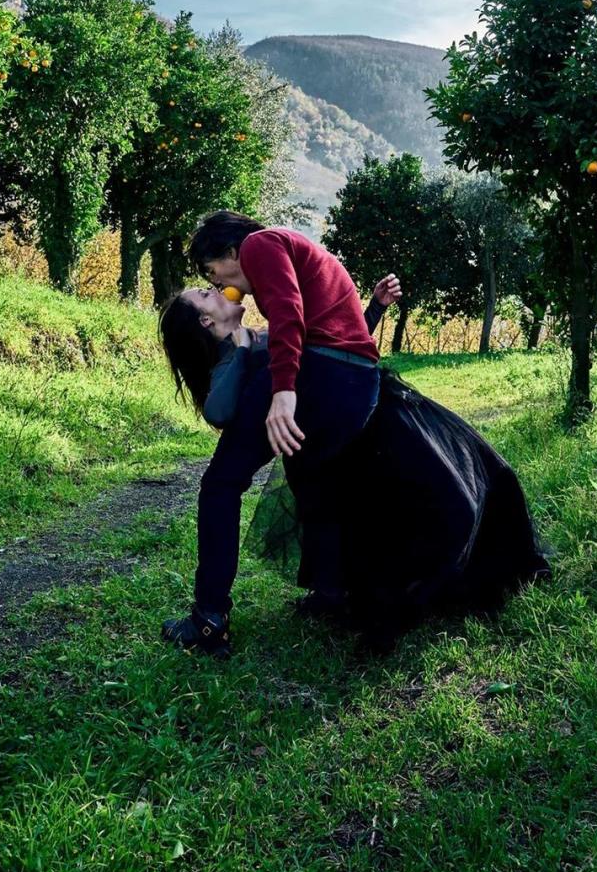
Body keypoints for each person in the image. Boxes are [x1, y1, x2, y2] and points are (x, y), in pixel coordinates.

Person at [161, 259, 550, 655]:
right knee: (242, 490)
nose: (214, 288)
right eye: (205, 294)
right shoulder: (236, 355)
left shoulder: (264, 333)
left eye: (210, 284)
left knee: (375, 500)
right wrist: (242, 349)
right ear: (206, 322)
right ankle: (214, 616)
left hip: (352, 419)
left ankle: (294, 599)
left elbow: (335, 347)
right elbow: (221, 411)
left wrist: (375, 308)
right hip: (329, 427)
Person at [160, 211, 383, 658]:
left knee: (221, 485)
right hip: (358, 384)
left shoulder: (259, 245)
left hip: (321, 372)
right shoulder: (290, 251)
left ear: (228, 253)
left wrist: (283, 391)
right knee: (311, 477)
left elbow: (290, 315)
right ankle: (331, 592)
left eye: (210, 272)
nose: (217, 280)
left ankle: (209, 621)